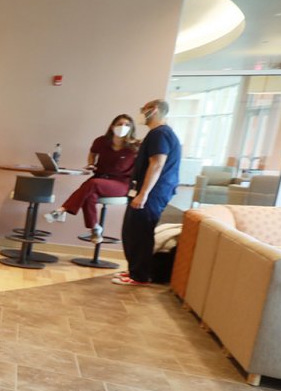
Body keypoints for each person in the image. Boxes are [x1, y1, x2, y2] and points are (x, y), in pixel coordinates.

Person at [116, 99, 181, 286]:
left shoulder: (159, 134)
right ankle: (134, 270)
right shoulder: (159, 134)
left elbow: (157, 163)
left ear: (153, 111)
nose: (141, 113)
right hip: (149, 191)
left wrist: (143, 194)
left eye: (143, 109)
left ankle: (140, 275)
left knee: (140, 232)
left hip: (152, 193)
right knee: (132, 230)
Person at [44, 115, 140, 243]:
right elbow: (92, 153)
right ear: (112, 126)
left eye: (127, 125)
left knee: (92, 184)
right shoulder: (101, 141)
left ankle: (61, 210)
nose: (123, 127)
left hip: (121, 183)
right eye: (120, 124)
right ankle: (95, 228)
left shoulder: (135, 146)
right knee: (89, 195)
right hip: (100, 178)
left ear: (132, 128)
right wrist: (91, 163)